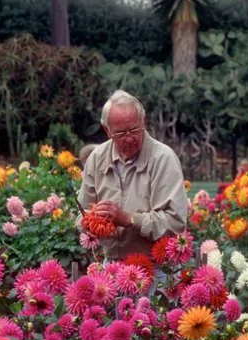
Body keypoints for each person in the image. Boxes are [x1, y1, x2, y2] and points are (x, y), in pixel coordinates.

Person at [78, 90, 188, 260]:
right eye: (121, 133)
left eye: (135, 130)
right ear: (107, 130)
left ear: (144, 122)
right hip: (111, 266)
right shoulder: (97, 158)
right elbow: (82, 212)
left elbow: (175, 224)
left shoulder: (163, 159)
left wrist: (128, 219)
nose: (129, 139)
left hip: (155, 267)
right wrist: (92, 221)